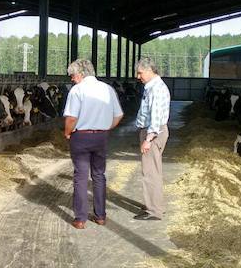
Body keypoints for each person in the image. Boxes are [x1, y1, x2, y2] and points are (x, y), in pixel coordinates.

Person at [62, 59, 124, 229]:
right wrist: (104, 128)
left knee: (81, 177)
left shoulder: (77, 90)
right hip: (101, 137)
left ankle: (80, 219)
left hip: (81, 137)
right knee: (99, 175)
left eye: (73, 76)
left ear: (81, 74)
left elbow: (72, 118)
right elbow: (118, 115)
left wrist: (67, 132)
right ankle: (101, 216)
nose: (72, 79)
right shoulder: (107, 89)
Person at [133, 57, 170, 221]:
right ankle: (155, 205)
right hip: (153, 131)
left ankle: (154, 211)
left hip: (153, 133)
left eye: (140, 73)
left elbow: (155, 118)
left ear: (149, 71)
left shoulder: (156, 89)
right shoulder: (154, 87)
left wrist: (148, 139)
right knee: (154, 170)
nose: (138, 76)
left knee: (150, 172)